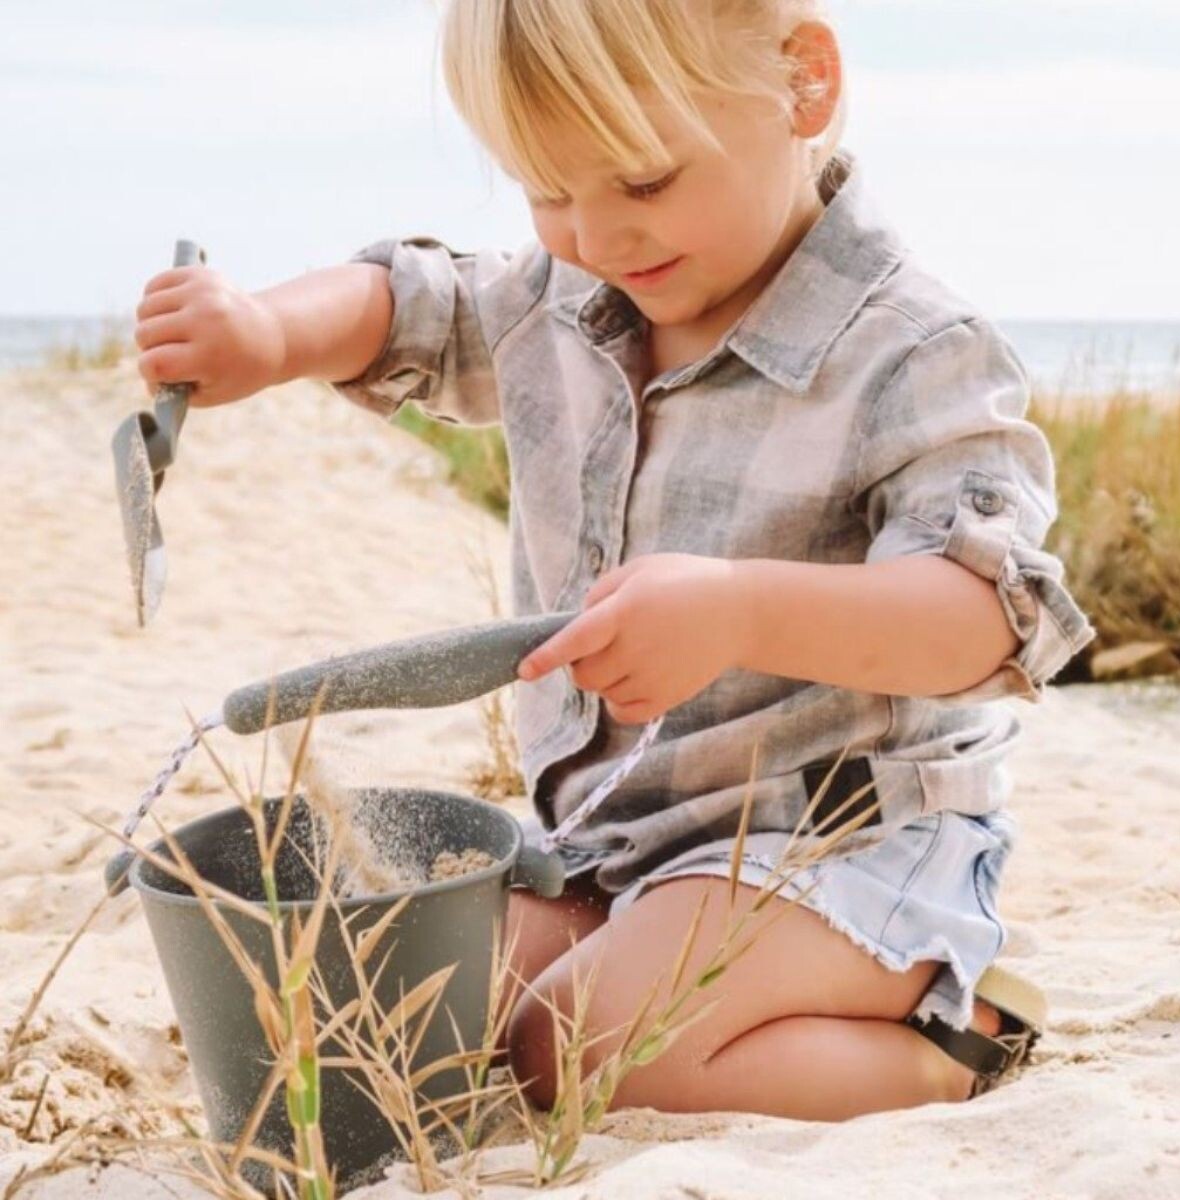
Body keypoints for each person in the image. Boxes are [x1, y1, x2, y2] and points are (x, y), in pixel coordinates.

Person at [133, 0, 1095, 1119]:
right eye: (546, 191)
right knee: (404, 1003)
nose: (595, 238)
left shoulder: (913, 352)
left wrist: (741, 610)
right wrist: (267, 333)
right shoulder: (567, 305)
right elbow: (412, 307)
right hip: (611, 844)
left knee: (574, 1046)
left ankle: (956, 1042)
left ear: (803, 84)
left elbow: (983, 618)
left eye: (643, 181)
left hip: (842, 848)